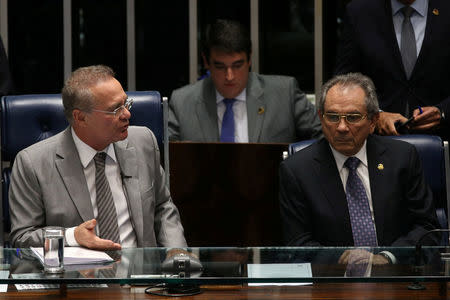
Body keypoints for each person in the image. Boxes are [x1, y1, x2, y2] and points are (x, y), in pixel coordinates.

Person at [9, 65, 187, 250]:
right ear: (80, 118)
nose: (127, 114)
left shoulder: (143, 141)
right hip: (77, 276)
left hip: (142, 274)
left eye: (126, 103)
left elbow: (162, 206)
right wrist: (71, 236)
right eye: (115, 110)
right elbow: (22, 237)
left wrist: (177, 253)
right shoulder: (32, 163)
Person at [279, 73, 439, 259]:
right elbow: (297, 244)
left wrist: (387, 258)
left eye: (353, 117)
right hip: (334, 280)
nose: (341, 127)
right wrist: (340, 259)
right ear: (321, 118)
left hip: (398, 276)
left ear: (372, 121)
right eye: (332, 116)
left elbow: (427, 228)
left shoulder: (402, 158)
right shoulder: (297, 170)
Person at [169, 19, 322, 143]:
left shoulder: (284, 93)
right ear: (206, 61)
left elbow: (324, 136)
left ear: (249, 59)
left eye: (237, 65)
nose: (230, 76)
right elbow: (165, 158)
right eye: (220, 66)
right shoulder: (182, 102)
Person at [334, 0, 450, 140]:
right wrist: (376, 115)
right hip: (378, 144)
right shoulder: (360, 12)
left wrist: (443, 112)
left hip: (442, 140)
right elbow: (344, 82)